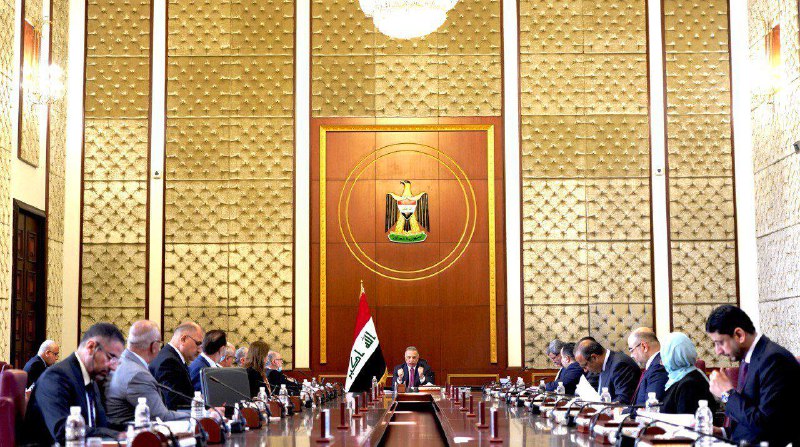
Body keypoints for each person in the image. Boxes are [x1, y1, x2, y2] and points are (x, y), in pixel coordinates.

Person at [706, 305, 800, 447]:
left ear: (739, 335)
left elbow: (766, 425)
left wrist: (727, 394)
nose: (717, 351)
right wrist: (723, 432)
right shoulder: (749, 358)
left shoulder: (773, 359)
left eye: (720, 343)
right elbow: (749, 416)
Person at [23, 323, 124, 444]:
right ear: (91, 347)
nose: (113, 367)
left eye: (117, 361)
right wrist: (117, 435)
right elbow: (64, 431)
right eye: (110, 357)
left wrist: (131, 430)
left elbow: (99, 424)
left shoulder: (91, 378)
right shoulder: (55, 378)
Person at [106, 320, 189, 426]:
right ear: (154, 346)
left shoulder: (120, 362)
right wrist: (199, 415)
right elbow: (162, 417)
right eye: (159, 344)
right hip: (131, 433)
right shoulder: (138, 375)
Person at [149, 321, 204, 410]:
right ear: (183, 339)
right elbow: (174, 403)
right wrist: (205, 407)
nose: (200, 350)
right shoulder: (168, 361)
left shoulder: (173, 357)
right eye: (198, 343)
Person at [659, 332, 716, 415]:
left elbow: (684, 420)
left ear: (673, 357)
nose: (661, 361)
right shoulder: (685, 377)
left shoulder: (689, 384)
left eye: (664, 355)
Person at [575, 338, 639, 404]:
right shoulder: (603, 364)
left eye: (584, 365)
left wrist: (600, 406)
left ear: (594, 357)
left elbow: (623, 400)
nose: (585, 370)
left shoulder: (620, 365)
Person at [627, 328, 667, 406]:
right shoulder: (654, 365)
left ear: (644, 346)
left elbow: (651, 406)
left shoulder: (658, 368)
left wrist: (622, 411)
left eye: (631, 350)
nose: (631, 355)